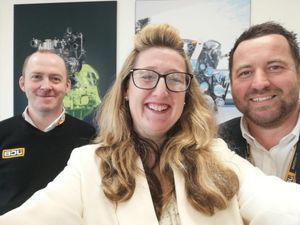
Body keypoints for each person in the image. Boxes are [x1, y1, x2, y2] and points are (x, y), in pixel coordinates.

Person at [1, 24, 300, 225]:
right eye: (147, 76)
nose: (161, 91)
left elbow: (276, 202)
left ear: (186, 95)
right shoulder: (87, 165)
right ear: (127, 89)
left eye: (174, 79)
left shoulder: (217, 156)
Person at [0, 49, 96, 215]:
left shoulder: (88, 136)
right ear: (23, 83)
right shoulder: (2, 133)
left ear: (67, 86)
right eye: (37, 77)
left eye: (55, 78)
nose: (46, 86)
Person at [218, 21, 300, 184]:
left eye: (275, 67)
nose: (259, 83)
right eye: (245, 72)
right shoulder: (210, 145)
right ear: (232, 83)